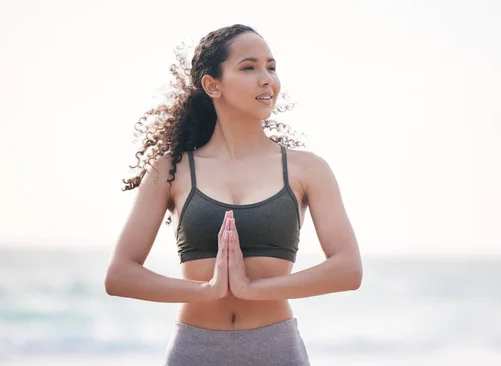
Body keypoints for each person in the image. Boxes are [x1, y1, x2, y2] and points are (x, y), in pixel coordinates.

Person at [104, 24, 363, 366]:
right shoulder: (172, 169)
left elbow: (348, 269)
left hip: (276, 347)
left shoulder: (306, 169)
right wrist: (207, 290)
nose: (266, 78)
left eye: (271, 66)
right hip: (195, 350)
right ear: (212, 85)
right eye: (249, 67)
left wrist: (252, 289)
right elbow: (120, 274)